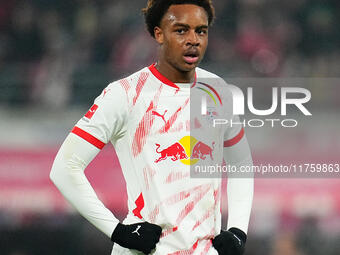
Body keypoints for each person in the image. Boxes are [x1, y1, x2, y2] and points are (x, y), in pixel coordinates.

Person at [50, 0, 254, 254]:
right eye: (181, 30)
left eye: (201, 31)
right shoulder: (124, 94)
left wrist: (237, 230)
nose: (193, 40)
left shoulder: (218, 90)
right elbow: (64, 168)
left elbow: (241, 164)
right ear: (159, 33)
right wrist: (118, 231)